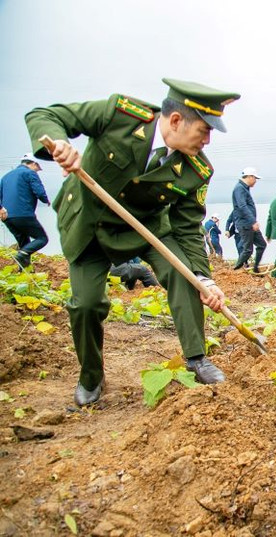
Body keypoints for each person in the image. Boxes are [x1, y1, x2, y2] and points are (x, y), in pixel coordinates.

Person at [25, 78, 239, 405]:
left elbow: (187, 228)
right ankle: (91, 377)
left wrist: (203, 277)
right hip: (90, 224)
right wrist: (59, 144)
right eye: (204, 130)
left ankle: (196, 358)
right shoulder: (120, 116)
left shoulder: (196, 170)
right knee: (86, 304)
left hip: (146, 228)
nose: (208, 140)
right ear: (177, 120)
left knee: (185, 276)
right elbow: (44, 115)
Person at [0, 153, 50, 268]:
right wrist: (46, 200)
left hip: (7, 218)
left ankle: (22, 270)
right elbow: (39, 191)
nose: (37, 171)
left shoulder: (6, 177)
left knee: (25, 245)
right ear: (33, 164)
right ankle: (22, 254)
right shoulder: (29, 173)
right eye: (38, 168)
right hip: (23, 214)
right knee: (42, 238)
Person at [231, 167, 266, 272]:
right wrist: (253, 221)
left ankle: (255, 268)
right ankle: (235, 270)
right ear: (250, 177)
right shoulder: (239, 189)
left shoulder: (244, 188)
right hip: (245, 224)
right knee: (248, 250)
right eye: (255, 178)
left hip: (250, 223)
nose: (256, 181)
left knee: (262, 244)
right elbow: (242, 206)